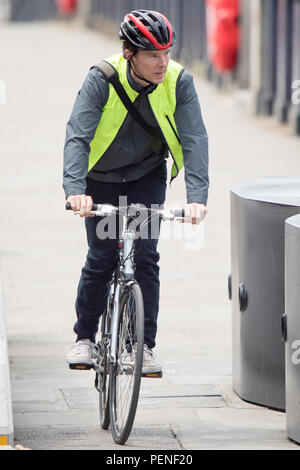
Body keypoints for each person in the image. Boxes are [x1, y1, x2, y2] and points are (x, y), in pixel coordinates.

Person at [64, 9, 209, 374]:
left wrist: (197, 197)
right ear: (130, 53)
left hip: (146, 175)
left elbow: (195, 140)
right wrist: (75, 190)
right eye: (152, 55)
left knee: (145, 257)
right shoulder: (103, 77)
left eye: (166, 53)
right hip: (101, 178)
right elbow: (78, 136)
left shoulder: (179, 81)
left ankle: (142, 346)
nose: (163, 62)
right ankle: (84, 338)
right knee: (101, 256)